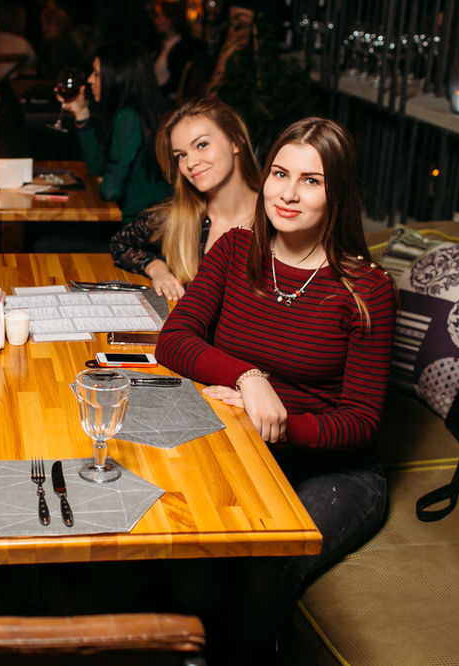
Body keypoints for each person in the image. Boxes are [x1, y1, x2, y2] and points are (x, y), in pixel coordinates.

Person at [155, 117, 395, 607]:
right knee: (184, 553)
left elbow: (361, 421)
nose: (288, 193)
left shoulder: (368, 289)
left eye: (311, 181)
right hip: (237, 446)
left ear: (337, 193)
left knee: (260, 571)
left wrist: (275, 424)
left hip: (333, 471)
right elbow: (173, 339)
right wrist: (249, 378)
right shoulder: (234, 250)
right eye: (280, 174)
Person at [111, 97, 259, 300]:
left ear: (235, 142)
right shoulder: (177, 218)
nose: (190, 163)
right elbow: (120, 244)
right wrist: (158, 270)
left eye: (202, 145)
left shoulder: (276, 219)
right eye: (181, 155)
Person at [59, 40, 171, 225]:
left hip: (136, 229)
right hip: (138, 224)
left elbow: (110, 190)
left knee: (47, 239)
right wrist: (81, 112)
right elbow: (96, 168)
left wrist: (105, 180)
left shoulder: (129, 117)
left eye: (97, 74)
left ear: (118, 77)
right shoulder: (135, 112)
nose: (90, 80)